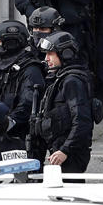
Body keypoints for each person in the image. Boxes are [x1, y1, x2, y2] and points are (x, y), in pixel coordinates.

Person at [30, 32, 94, 173]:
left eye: (50, 54)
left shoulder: (72, 81)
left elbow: (82, 120)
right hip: (59, 150)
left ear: (65, 54)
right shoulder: (60, 78)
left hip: (70, 154)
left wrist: (65, 150)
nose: (46, 59)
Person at [0, 20, 45, 139]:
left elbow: (26, 107)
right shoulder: (1, 65)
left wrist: (2, 126)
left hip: (18, 137)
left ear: (11, 42)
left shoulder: (31, 70)